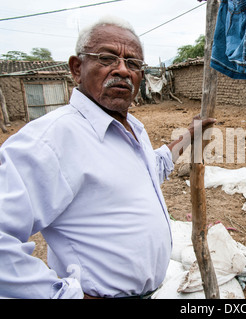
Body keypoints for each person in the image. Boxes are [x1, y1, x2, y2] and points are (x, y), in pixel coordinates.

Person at [0, 16, 215, 299]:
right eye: (107, 58)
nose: (123, 70)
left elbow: (154, 167)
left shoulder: (132, 128)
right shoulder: (51, 139)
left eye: (134, 63)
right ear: (77, 68)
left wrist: (188, 136)